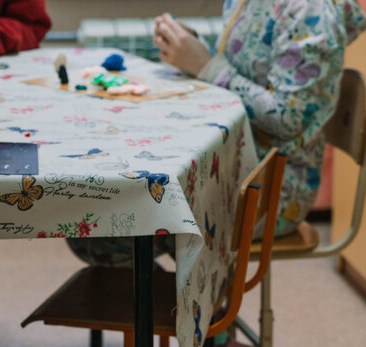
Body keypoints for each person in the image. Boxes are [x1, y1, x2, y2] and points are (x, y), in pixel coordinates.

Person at [69, 0, 366, 267]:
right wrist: (193, 51)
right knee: (95, 220)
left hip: (274, 191)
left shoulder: (310, 10)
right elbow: (246, 71)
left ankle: (204, 319)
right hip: (231, 162)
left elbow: (289, 119)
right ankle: (195, 314)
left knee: (100, 234)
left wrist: (206, 65)